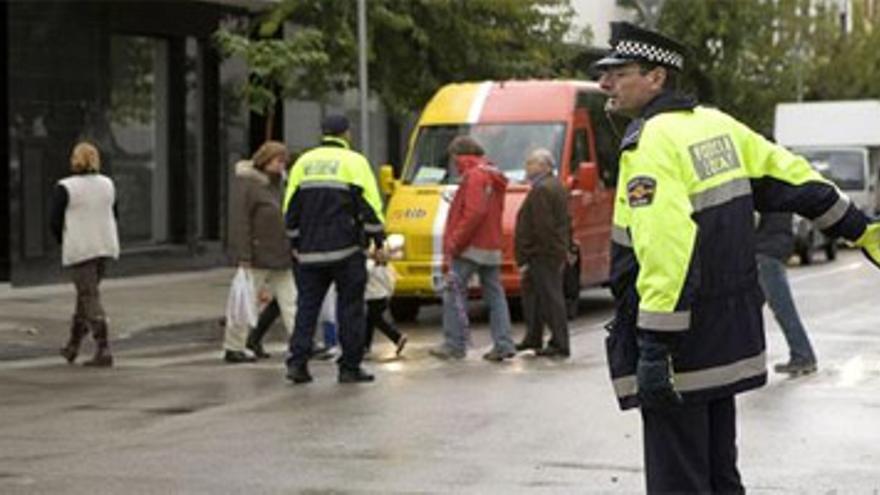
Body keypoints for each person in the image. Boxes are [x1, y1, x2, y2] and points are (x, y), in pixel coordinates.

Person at [595, 22, 879, 493]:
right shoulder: (717, 125)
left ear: (657, 78)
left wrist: (654, 347)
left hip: (679, 346)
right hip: (724, 338)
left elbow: (667, 248)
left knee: (679, 481)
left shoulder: (651, 143)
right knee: (719, 474)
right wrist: (861, 229)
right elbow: (796, 179)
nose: (605, 84)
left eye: (619, 72)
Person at [283, 114, 385, 384]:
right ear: (346, 134)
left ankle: (297, 363)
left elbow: (290, 209)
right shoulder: (355, 162)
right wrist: (379, 241)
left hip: (309, 252)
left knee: (307, 308)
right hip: (346, 250)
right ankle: (349, 367)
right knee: (350, 309)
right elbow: (370, 206)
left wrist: (294, 243)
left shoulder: (303, 163)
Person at [429, 136, 516, 362]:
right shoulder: (492, 174)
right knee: (495, 295)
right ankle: (504, 343)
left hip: (471, 245)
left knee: (454, 292)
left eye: (454, 158)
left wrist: (456, 241)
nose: (453, 163)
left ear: (460, 155)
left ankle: (454, 344)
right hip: (492, 243)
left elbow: (474, 212)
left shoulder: (474, 176)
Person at [225, 141, 297, 364]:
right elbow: (240, 221)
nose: (282, 165)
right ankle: (233, 346)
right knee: (245, 301)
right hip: (257, 254)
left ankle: (300, 341)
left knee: (291, 300)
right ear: (265, 161)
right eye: (278, 161)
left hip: (280, 254)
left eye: (284, 161)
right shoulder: (248, 185)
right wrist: (244, 254)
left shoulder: (279, 185)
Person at [50, 141, 120, 367]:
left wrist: (63, 240)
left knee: (88, 296)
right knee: (86, 295)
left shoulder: (65, 187)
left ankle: (103, 347)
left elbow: (55, 220)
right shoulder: (107, 184)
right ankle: (73, 345)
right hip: (104, 245)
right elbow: (114, 213)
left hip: (81, 247)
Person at [513, 148, 572, 358]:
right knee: (534, 297)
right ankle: (533, 336)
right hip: (550, 251)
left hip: (543, 254)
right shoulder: (555, 185)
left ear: (544, 166)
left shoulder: (542, 190)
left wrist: (531, 252)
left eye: (531, 163)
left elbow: (542, 225)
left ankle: (559, 342)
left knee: (550, 297)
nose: (527, 167)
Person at [755, 212, 819, 376]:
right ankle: (749, 361)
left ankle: (803, 356)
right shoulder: (778, 189)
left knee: (782, 307)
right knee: (749, 308)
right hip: (775, 247)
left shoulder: (763, 189)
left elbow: (753, 219)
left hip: (766, 250)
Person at [364, 244, 407, 358]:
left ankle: (397, 337)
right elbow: (391, 284)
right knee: (371, 321)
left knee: (376, 321)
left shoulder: (369, 266)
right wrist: (389, 295)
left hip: (373, 298)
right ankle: (366, 346)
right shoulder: (388, 268)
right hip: (382, 298)